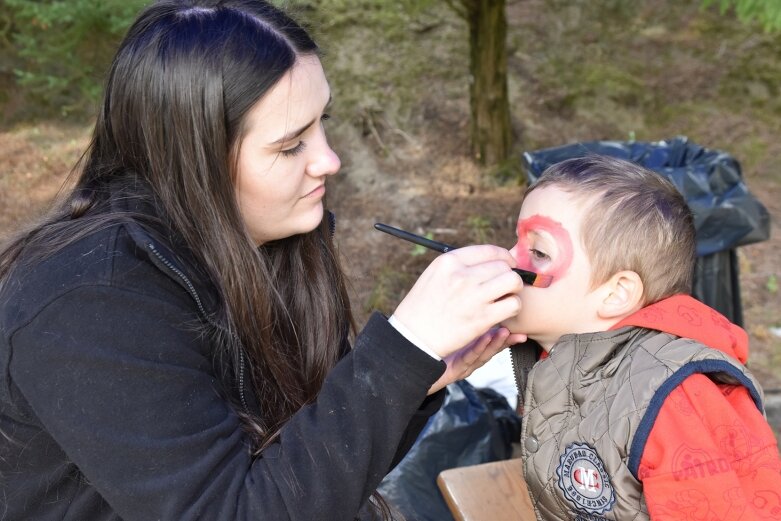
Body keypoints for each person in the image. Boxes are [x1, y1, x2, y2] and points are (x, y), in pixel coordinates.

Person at [0, 2, 527, 519]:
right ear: (195, 157)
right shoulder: (90, 304)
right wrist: (400, 353)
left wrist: (412, 381)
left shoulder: (268, 238)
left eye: (323, 122)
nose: (330, 160)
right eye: (290, 145)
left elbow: (310, 476)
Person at [503, 155, 781, 520]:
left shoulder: (672, 400)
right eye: (514, 242)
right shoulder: (559, 364)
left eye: (538, 252)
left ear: (616, 294)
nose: (508, 259)